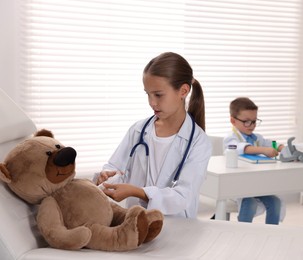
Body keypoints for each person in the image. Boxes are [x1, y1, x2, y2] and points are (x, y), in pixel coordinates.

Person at [94, 52, 212, 219]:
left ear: (183, 91)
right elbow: (115, 167)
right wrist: (107, 174)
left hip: (178, 228)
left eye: (158, 95)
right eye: (147, 94)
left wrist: (138, 192)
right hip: (135, 224)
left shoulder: (198, 142)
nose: (152, 102)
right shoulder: (138, 130)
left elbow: (183, 195)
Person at [224, 97, 284, 224]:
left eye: (254, 121)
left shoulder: (256, 138)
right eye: (246, 122)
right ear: (233, 120)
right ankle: (243, 234)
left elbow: (269, 143)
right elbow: (243, 148)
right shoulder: (231, 139)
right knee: (250, 203)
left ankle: (271, 232)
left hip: (255, 185)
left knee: (275, 202)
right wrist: (263, 150)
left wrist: (280, 147)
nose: (251, 126)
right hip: (236, 187)